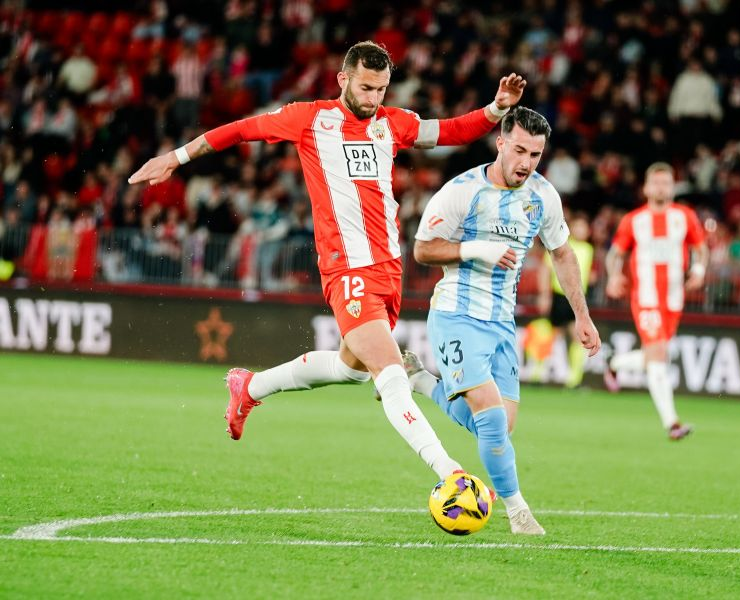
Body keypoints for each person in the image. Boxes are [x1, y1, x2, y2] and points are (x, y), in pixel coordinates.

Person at [127, 41, 527, 483]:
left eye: (382, 89)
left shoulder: (392, 124)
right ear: (343, 79)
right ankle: (449, 473)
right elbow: (240, 130)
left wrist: (494, 109)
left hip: (387, 270)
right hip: (346, 270)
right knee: (390, 373)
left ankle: (250, 387)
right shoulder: (309, 118)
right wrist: (175, 157)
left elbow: (450, 131)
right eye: (367, 87)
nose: (374, 99)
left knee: (349, 370)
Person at [402, 107, 601, 534]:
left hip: (501, 325)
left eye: (536, 154)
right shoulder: (462, 191)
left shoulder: (543, 196)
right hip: (456, 314)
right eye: (520, 151)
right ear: (501, 143)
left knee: (498, 426)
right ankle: (518, 511)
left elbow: (562, 253)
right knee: (491, 421)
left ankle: (421, 383)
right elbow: (422, 249)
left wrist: (582, 316)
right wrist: (476, 250)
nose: (526, 163)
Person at [604, 162, 709, 441]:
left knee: (654, 357)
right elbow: (614, 253)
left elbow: (701, 248)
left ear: (673, 188)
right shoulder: (634, 220)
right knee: (659, 356)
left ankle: (614, 363)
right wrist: (613, 276)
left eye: (666, 183)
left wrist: (699, 271)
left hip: (674, 300)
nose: (661, 187)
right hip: (646, 298)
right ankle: (672, 423)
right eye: (657, 182)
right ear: (647, 188)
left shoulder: (685, 216)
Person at [536, 211, 596, 387]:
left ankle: (574, 377)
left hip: (577, 298)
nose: (580, 229)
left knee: (578, 335)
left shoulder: (589, 249)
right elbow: (545, 270)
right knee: (554, 334)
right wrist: (544, 295)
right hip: (558, 295)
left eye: (583, 227)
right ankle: (540, 372)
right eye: (577, 226)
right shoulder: (560, 246)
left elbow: (589, 275)